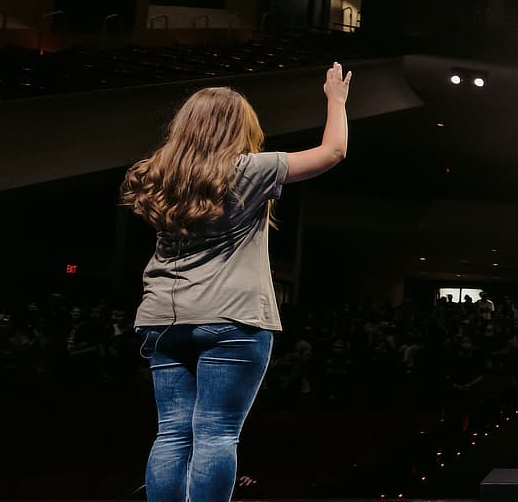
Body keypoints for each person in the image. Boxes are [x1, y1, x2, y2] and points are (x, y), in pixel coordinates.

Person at [122, 64, 352, 502]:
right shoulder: (247, 169)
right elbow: (333, 152)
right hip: (233, 320)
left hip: (165, 320)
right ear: (238, 128)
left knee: (172, 433)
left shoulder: (155, 174)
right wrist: (336, 101)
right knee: (216, 434)